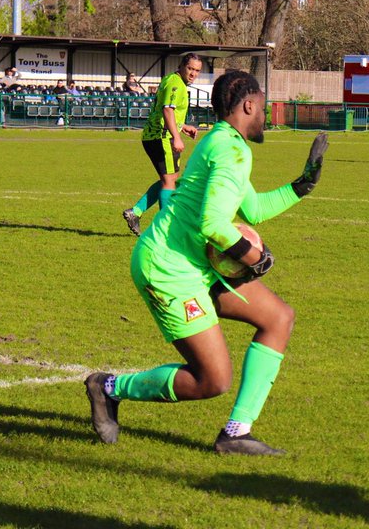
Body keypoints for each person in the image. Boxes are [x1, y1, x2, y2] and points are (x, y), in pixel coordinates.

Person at [85, 70, 330, 455]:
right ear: (249, 105)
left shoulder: (221, 140)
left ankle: (236, 432)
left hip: (196, 263)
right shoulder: (232, 150)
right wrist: (256, 258)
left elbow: (252, 208)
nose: (264, 115)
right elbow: (213, 224)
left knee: (277, 318)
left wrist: (302, 187)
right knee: (212, 380)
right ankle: (108, 387)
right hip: (168, 269)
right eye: (262, 107)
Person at [122, 54, 203, 235]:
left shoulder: (173, 80)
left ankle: (135, 212)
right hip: (162, 137)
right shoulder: (176, 84)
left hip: (157, 135)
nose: (193, 74)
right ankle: (165, 228)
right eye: (190, 68)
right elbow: (167, 110)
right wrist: (176, 136)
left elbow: (165, 111)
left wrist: (183, 128)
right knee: (169, 182)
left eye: (197, 70)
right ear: (182, 66)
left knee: (171, 179)